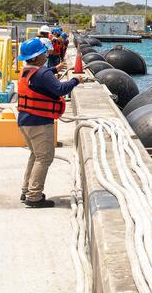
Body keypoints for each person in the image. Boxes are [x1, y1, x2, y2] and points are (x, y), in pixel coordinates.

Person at [15, 37, 88, 207]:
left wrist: (55, 69)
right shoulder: (42, 73)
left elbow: (41, 83)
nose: (46, 55)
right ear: (37, 56)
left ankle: (26, 190)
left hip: (25, 121)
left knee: (35, 155)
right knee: (44, 158)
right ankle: (34, 196)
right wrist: (76, 80)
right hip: (39, 122)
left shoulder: (27, 71)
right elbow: (60, 89)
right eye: (43, 53)